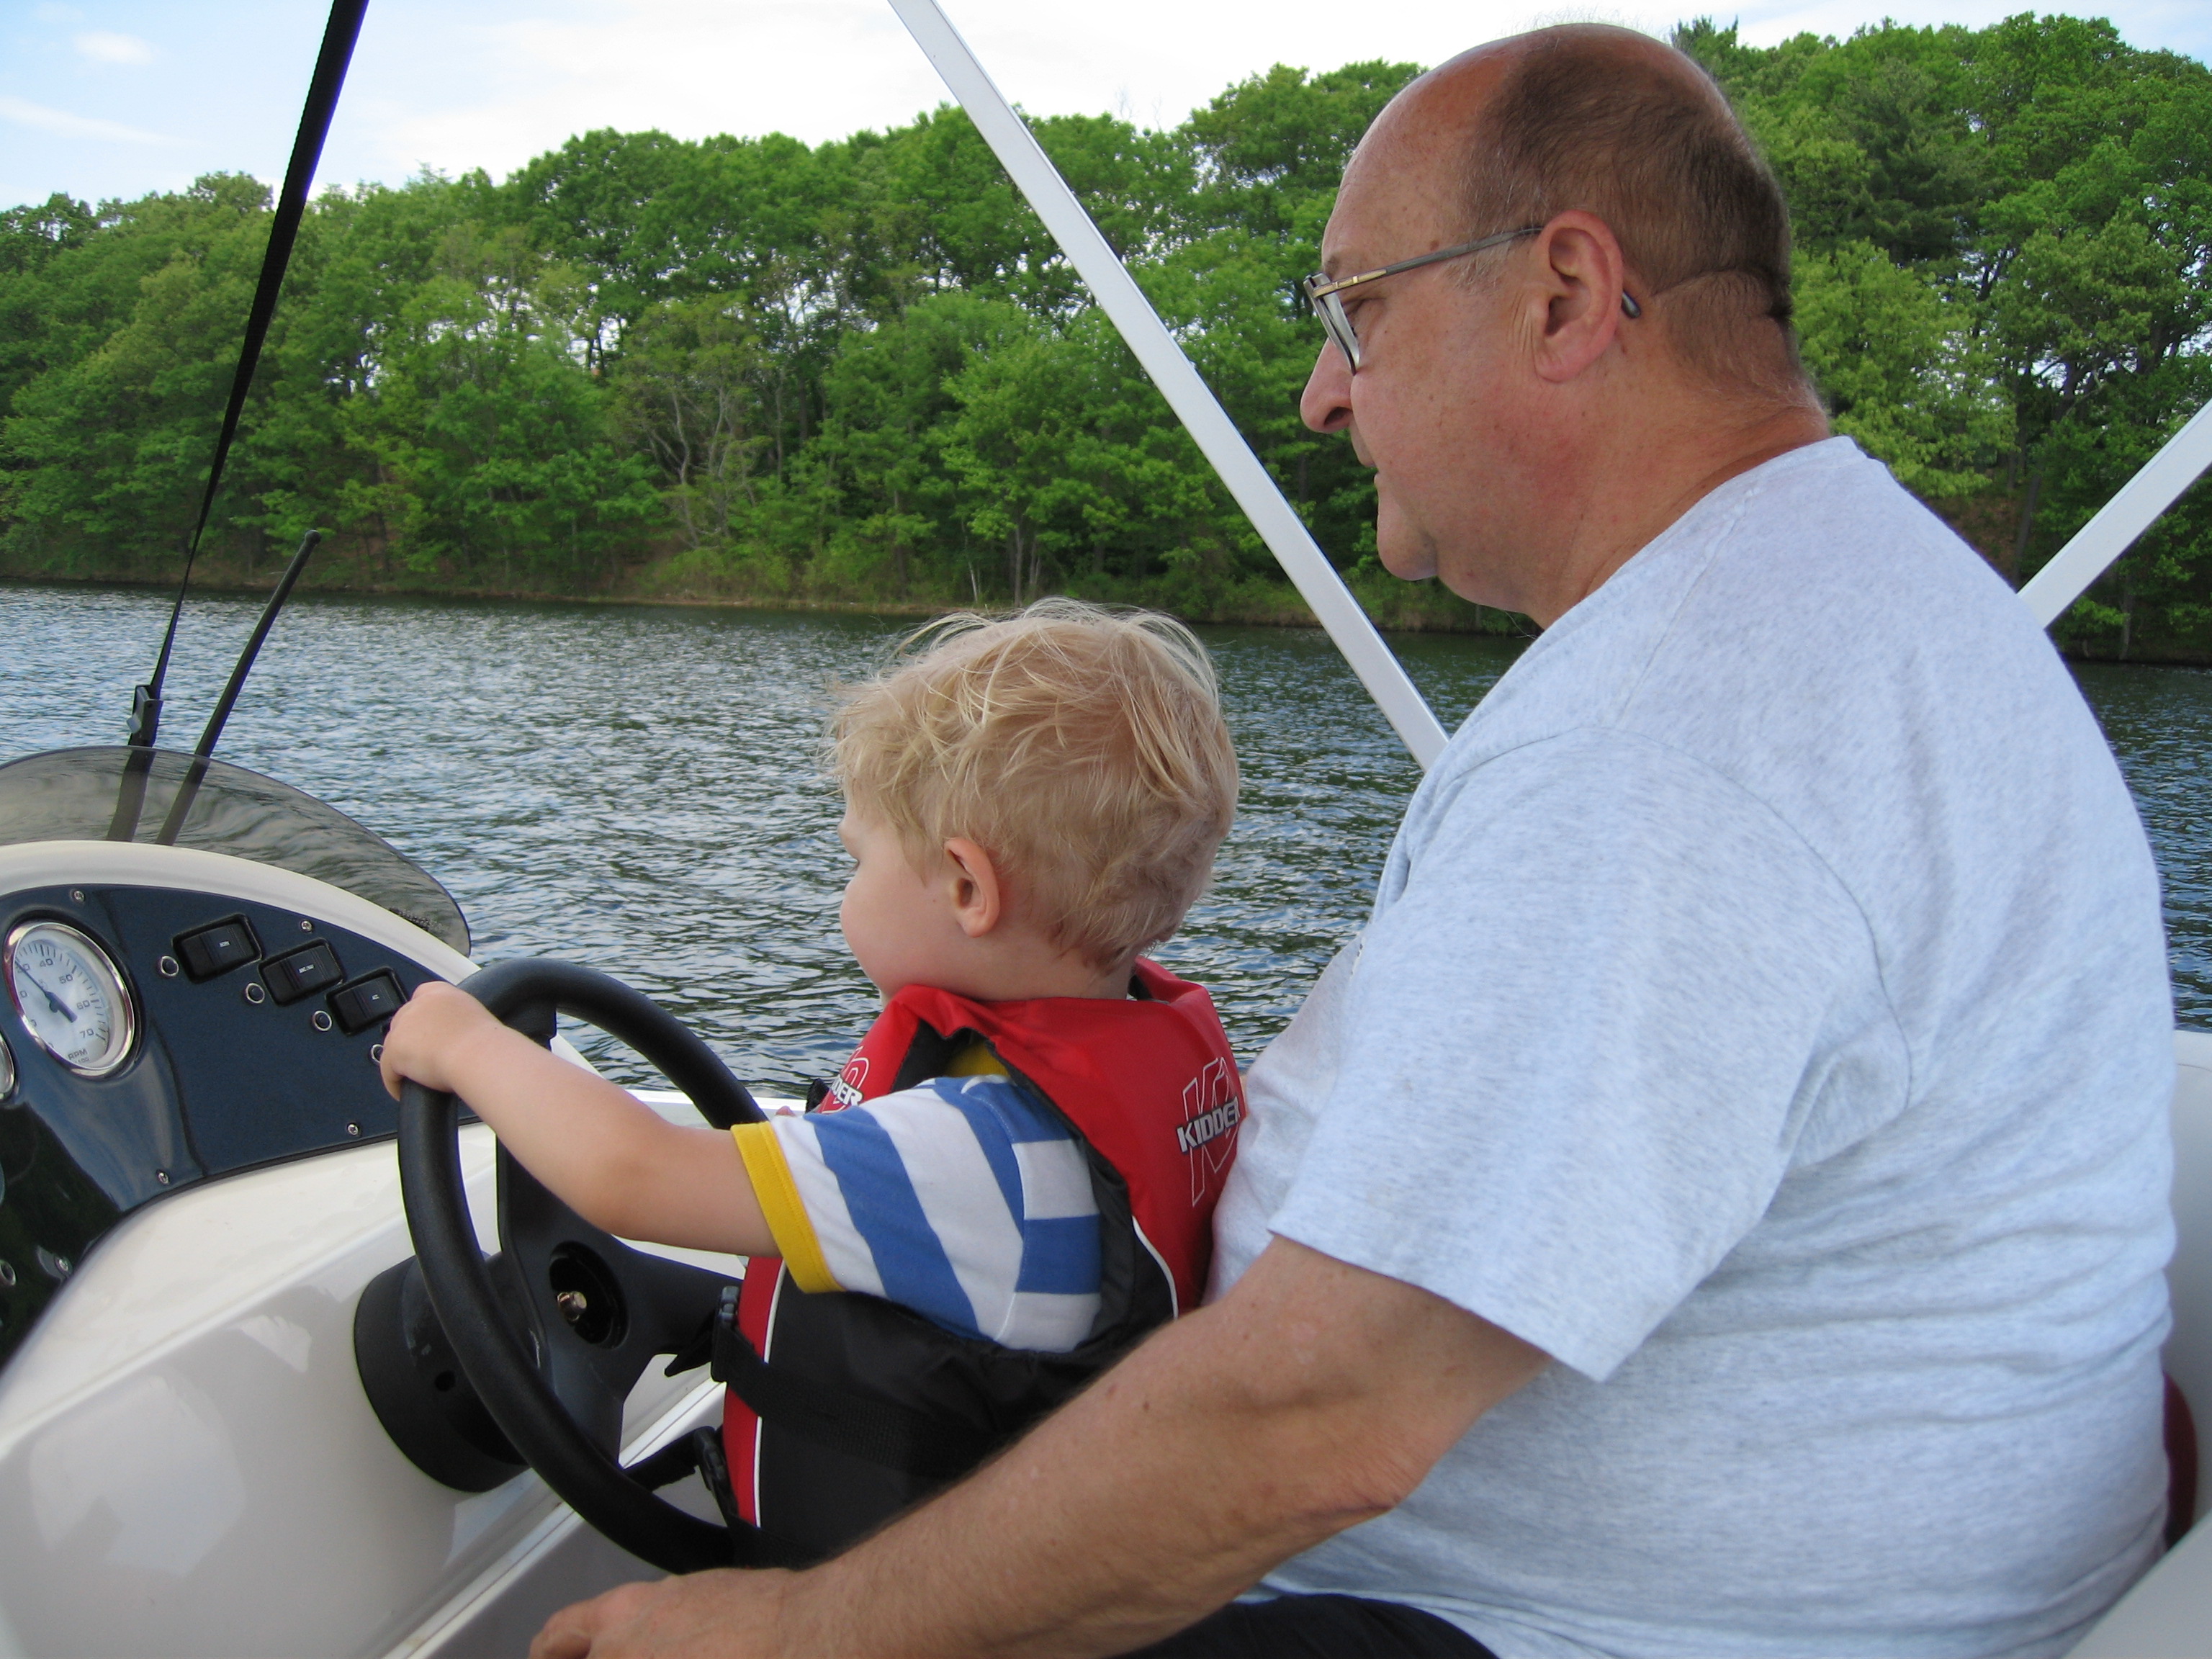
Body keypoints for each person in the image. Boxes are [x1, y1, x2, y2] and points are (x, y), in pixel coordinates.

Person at [529, 24, 2175, 1659]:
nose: (1323, 397)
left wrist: (805, 1633)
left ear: (1563, 298)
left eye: (1355, 313)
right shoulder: (1838, 601)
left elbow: (1324, 1419)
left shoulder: (1673, 744)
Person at [381, 599, 1246, 1560]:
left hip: (887, 1605)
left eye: (857, 859)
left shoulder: (974, 1154)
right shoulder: (1126, 1073)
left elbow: (631, 1175)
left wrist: (464, 1044)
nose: (846, 889)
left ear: (967, 888)